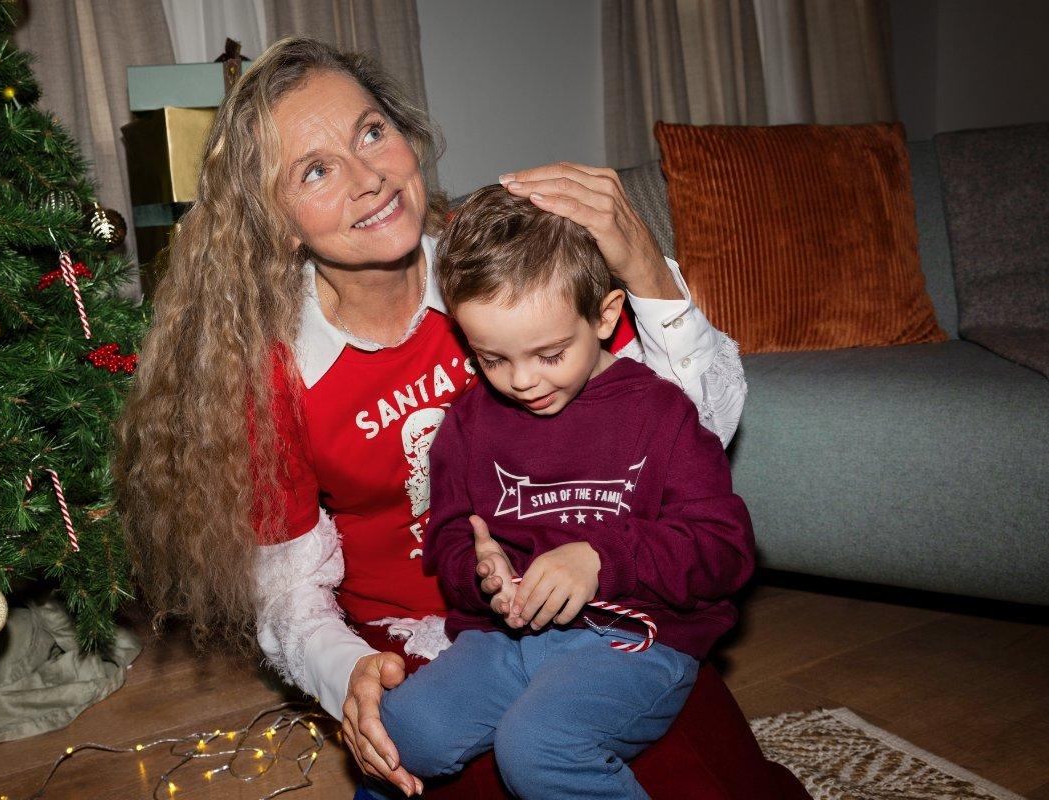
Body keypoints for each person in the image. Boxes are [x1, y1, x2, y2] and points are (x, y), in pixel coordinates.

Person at [118, 37, 748, 799]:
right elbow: (284, 589)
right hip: (417, 640)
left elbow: (694, 432)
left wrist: (645, 265)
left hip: (608, 603)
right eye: (315, 170)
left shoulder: (511, 283)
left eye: (371, 132)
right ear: (275, 222)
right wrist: (346, 675)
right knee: (460, 755)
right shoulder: (275, 373)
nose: (369, 177)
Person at [374, 185, 756, 799]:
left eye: (550, 354)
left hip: (638, 637)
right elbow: (448, 534)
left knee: (537, 747)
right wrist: (481, 571)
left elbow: (726, 550)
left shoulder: (662, 412)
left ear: (604, 317)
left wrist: (601, 558)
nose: (523, 381)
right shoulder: (469, 423)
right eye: (492, 359)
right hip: (509, 637)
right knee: (407, 730)